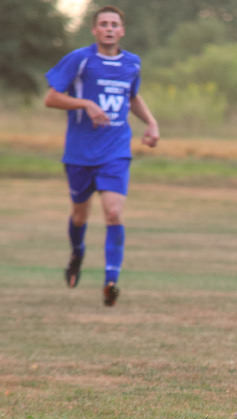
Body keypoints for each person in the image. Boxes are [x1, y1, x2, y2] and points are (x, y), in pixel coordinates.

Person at [45, 5, 159, 306]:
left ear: (122, 31)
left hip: (115, 151)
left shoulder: (132, 63)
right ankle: (77, 253)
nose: (109, 28)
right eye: (104, 24)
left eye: (114, 24)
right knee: (80, 215)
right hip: (80, 153)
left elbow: (131, 96)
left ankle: (111, 281)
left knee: (113, 213)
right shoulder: (80, 60)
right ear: (95, 30)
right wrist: (85, 104)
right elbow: (51, 97)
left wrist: (151, 122)